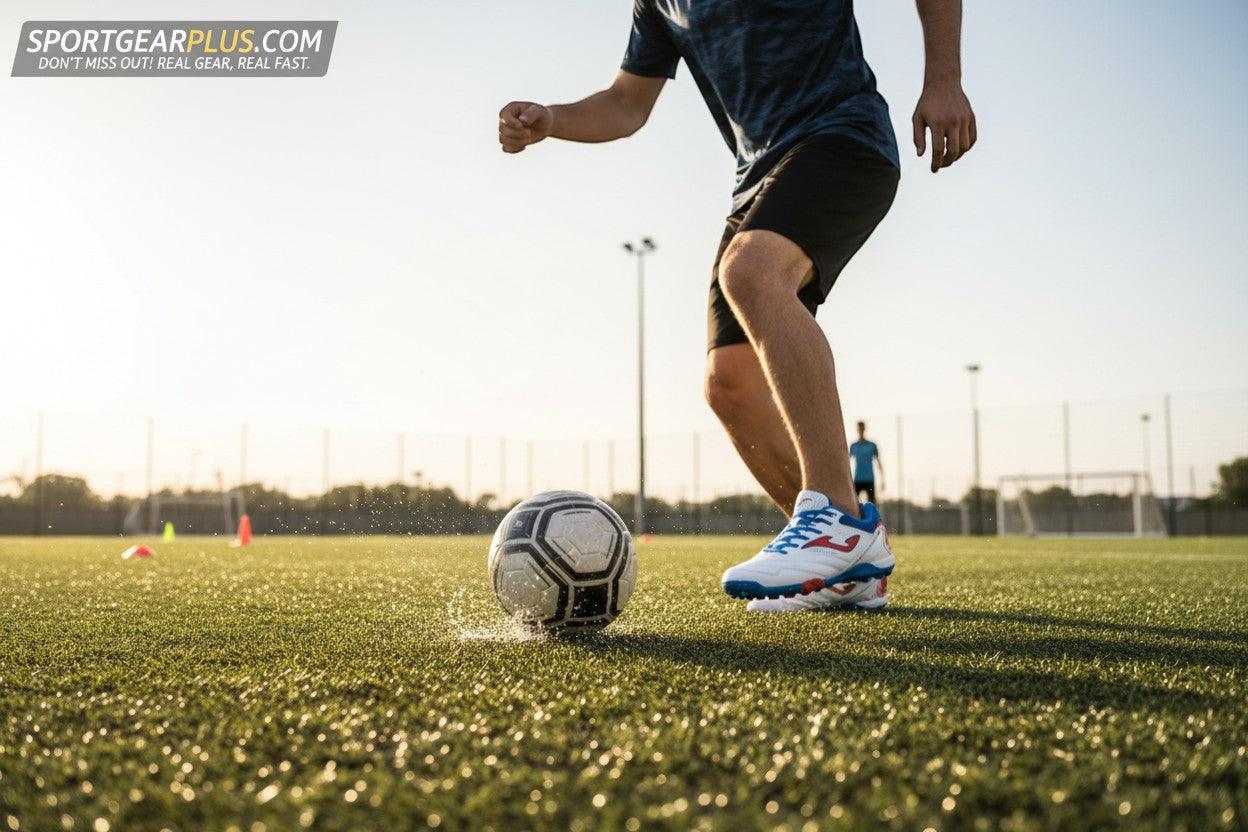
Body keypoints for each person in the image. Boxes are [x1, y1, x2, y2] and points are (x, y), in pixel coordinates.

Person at [498, 0, 974, 612]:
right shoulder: (658, 4)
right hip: (759, 178)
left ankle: (834, 516)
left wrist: (944, 80)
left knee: (749, 272)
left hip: (844, 138)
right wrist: (550, 119)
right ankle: (848, 566)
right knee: (730, 385)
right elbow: (625, 104)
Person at [850, 421, 884, 506]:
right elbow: (848, 462)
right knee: (853, 504)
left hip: (869, 479)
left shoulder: (872, 445)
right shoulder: (853, 446)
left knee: (872, 504)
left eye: (862, 428)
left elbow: (878, 462)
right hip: (857, 479)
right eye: (859, 428)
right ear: (857, 430)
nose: (860, 430)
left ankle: (873, 519)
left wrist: (883, 479)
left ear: (864, 429)